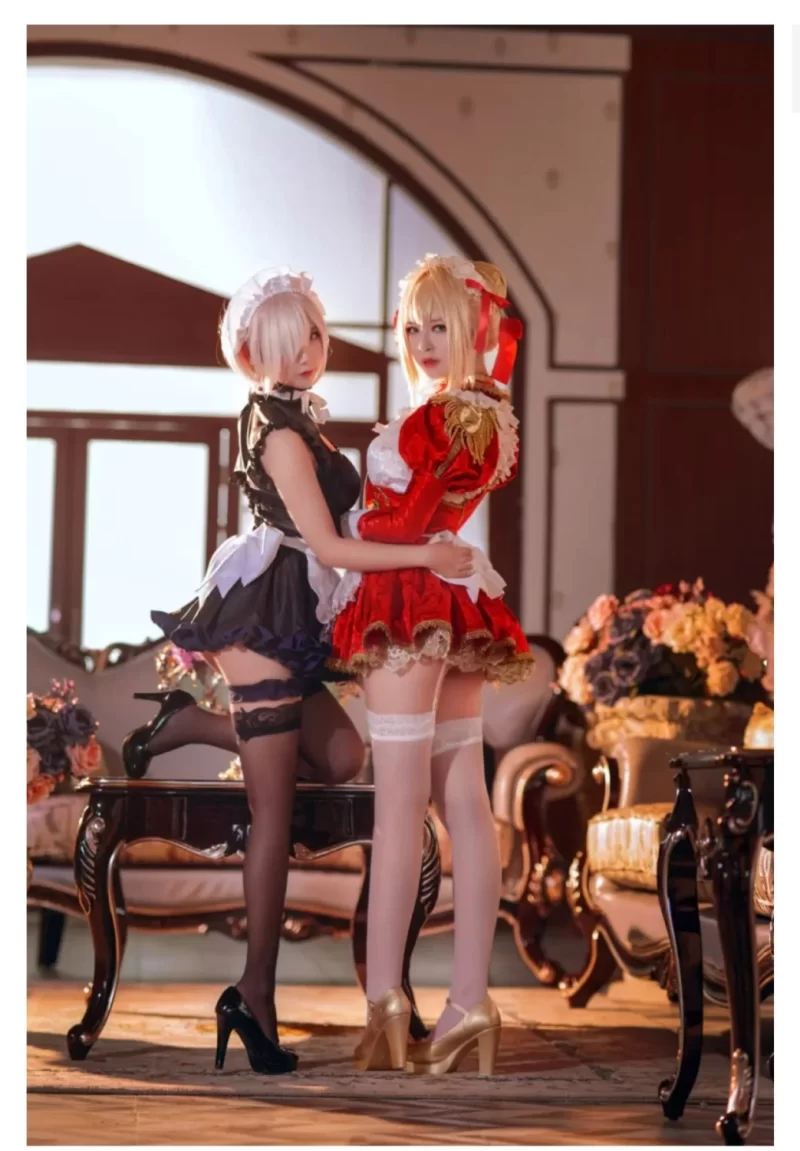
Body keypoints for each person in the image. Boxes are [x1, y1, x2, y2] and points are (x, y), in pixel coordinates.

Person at [123, 267, 473, 1074]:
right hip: (264, 612)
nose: (309, 351)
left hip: (294, 613)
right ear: (251, 353)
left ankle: (192, 720)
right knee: (273, 817)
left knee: (344, 754)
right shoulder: (278, 432)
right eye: (289, 341)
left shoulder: (302, 420)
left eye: (315, 334)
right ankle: (254, 993)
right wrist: (428, 556)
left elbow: (352, 524)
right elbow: (328, 544)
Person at [329, 254, 532, 1075]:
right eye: (412, 327)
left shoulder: (439, 419)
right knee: (464, 806)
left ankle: (385, 1003)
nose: (422, 340)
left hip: (409, 600)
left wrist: (344, 524)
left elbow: (401, 528)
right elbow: (435, 518)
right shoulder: (488, 413)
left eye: (440, 324)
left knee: (398, 812)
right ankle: (468, 1003)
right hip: (458, 599)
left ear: (475, 327)